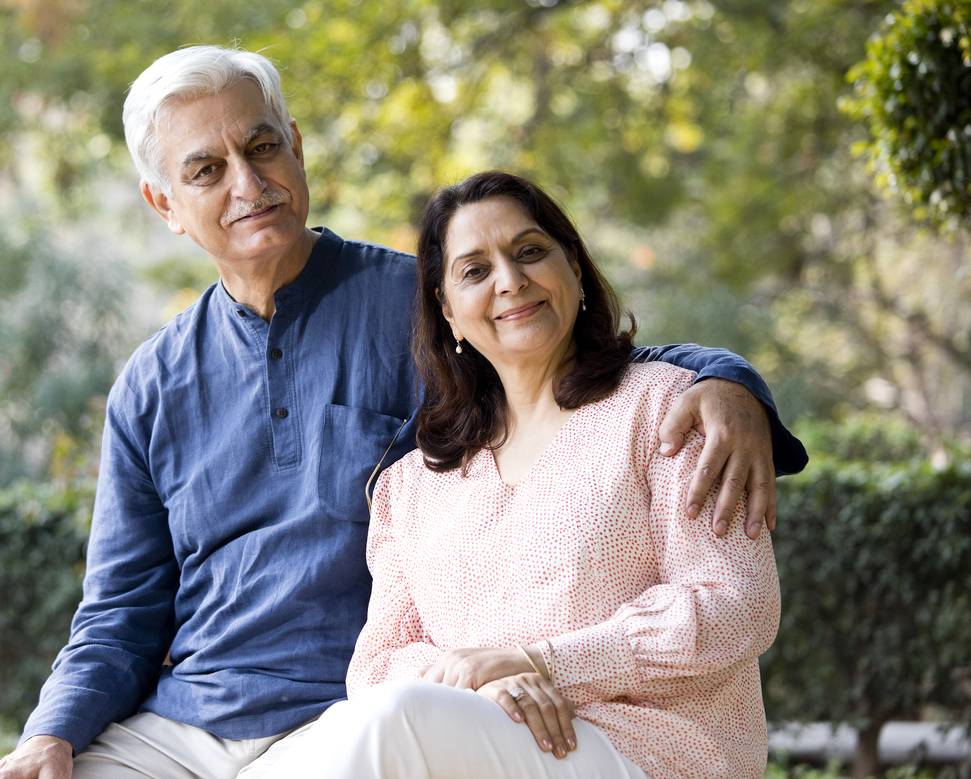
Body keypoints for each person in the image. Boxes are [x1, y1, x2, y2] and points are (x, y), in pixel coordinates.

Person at [0, 47, 805, 779]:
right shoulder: (150, 384)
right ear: (163, 203)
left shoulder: (415, 301)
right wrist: (52, 733)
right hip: (188, 723)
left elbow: (563, 354)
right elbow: (119, 611)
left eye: (263, 146)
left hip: (353, 715)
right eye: (207, 169)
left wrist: (730, 382)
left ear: (296, 147)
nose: (248, 183)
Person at [258, 171, 781, 779]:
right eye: (475, 270)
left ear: (576, 270)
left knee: (393, 721)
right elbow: (375, 665)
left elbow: (737, 605)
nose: (511, 281)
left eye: (530, 252)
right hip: (469, 739)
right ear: (446, 311)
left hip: (644, 752)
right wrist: (478, 688)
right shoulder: (411, 486)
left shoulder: (668, 411)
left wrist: (542, 664)